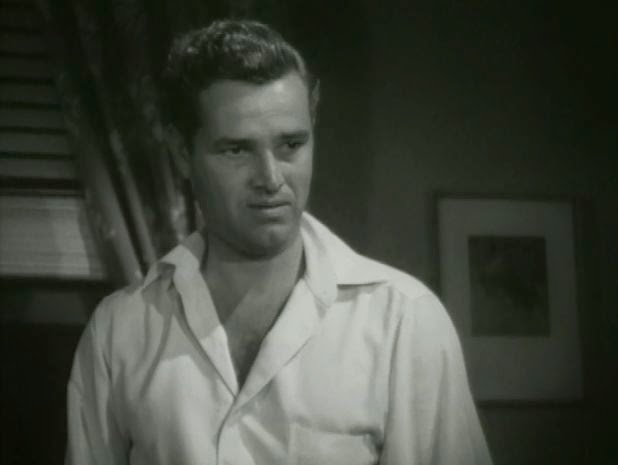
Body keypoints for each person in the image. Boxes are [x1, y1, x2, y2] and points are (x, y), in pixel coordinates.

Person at [65, 19, 492, 465]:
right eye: (236, 150)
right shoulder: (120, 332)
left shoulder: (403, 320)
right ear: (181, 155)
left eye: (291, 145)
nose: (270, 178)